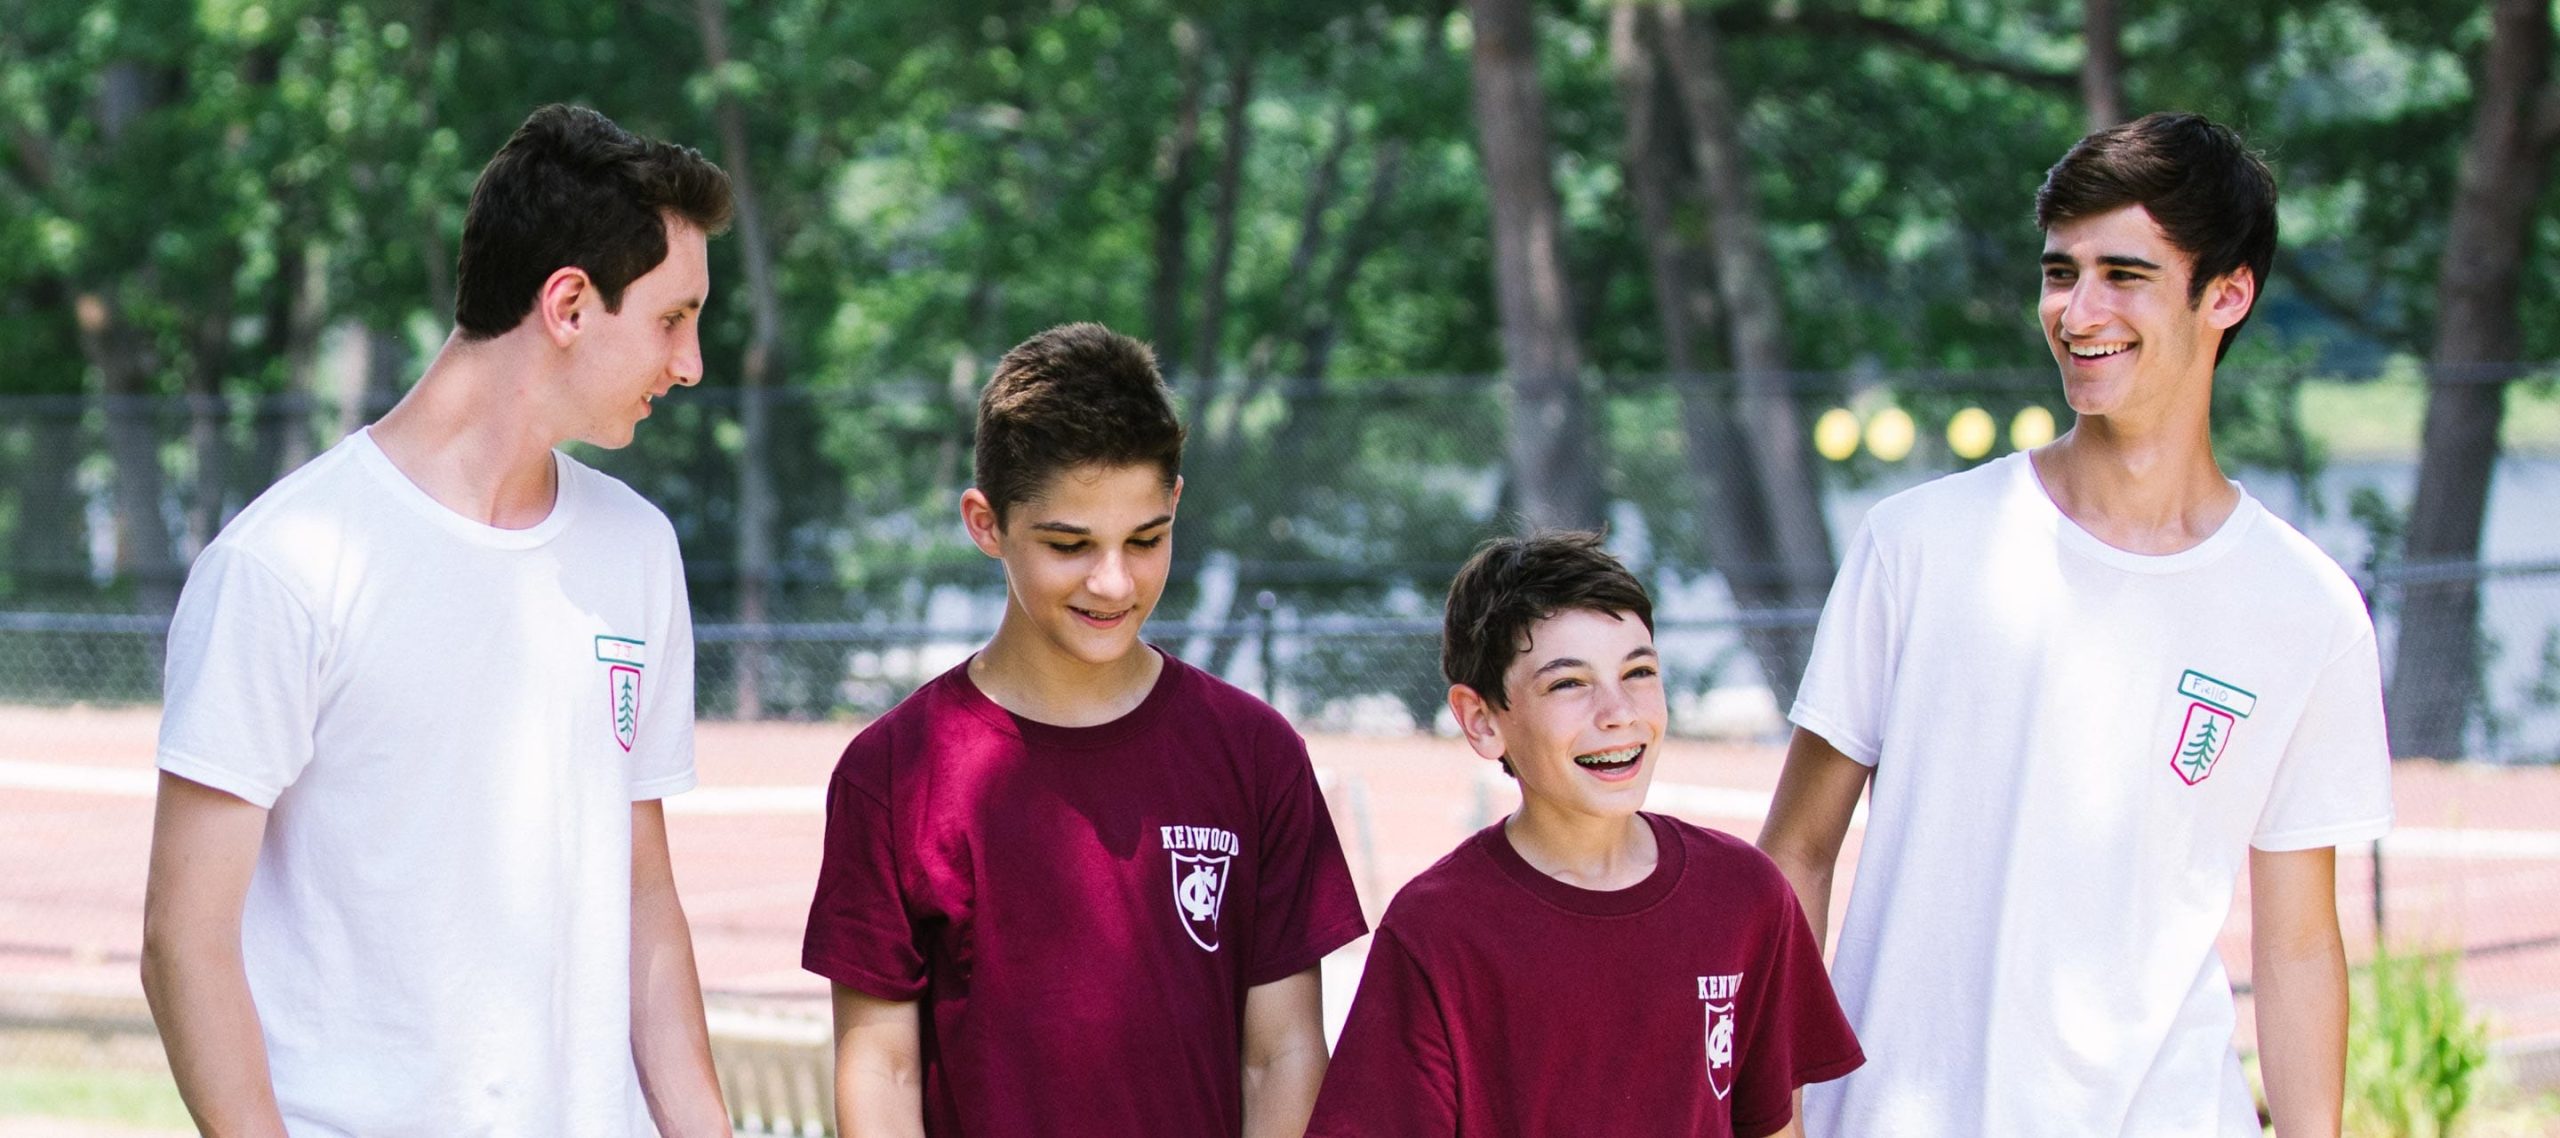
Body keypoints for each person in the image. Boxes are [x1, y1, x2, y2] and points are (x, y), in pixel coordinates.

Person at [1757, 111, 2393, 1136]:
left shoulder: (2305, 609)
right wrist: (1773, 1117)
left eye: (2124, 274)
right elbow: (1794, 856)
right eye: (2060, 272)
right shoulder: (1916, 545)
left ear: (2225, 293)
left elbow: (2299, 942)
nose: (2076, 309)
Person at [140, 104, 734, 1137]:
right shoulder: (286, 565)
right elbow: (183, 941)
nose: (689, 363)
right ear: (568, 303)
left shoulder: (637, 550)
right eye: (673, 319)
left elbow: (644, 907)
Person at [802, 322, 1368, 1137]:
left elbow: (1279, 1055)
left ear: (1176, 504)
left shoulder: (1256, 754)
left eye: (1146, 539)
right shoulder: (894, 773)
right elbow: (881, 1066)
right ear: (985, 522)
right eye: (1069, 545)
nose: (1113, 580)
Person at [1309, 531, 1862, 1138]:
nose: (1618, 711)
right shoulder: (1437, 930)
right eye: (1568, 683)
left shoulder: (1746, 897)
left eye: (1639, 671)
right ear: (1482, 720)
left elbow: (1776, 1126)